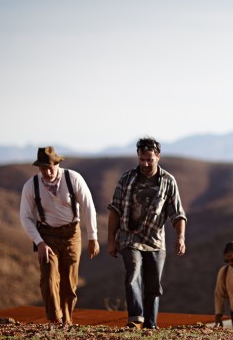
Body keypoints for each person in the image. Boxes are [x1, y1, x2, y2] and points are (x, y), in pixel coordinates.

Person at [106, 137, 187, 329]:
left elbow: (177, 213)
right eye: (142, 159)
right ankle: (136, 319)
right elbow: (115, 209)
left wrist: (180, 237)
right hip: (129, 236)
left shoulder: (168, 181)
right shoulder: (126, 179)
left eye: (149, 159)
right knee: (133, 272)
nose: (145, 163)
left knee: (153, 285)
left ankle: (151, 324)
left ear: (158, 156)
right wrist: (111, 239)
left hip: (155, 240)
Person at [18, 146, 100, 325]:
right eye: (43, 168)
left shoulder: (73, 178)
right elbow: (25, 216)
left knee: (69, 281)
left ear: (57, 164)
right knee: (48, 277)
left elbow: (88, 207)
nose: (47, 172)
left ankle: (67, 320)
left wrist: (92, 237)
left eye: (50, 167)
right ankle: (55, 319)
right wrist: (39, 242)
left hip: (72, 234)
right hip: (47, 235)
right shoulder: (31, 186)